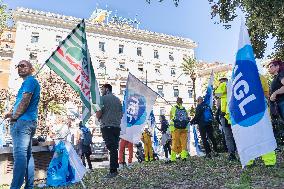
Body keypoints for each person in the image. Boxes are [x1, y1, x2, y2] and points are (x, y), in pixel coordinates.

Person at [4, 60, 40, 189]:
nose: (20, 68)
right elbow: (23, 102)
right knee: (27, 155)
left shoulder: (30, 81)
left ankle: (15, 187)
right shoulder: (28, 83)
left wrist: (14, 116)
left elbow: (25, 101)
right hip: (29, 122)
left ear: (31, 68)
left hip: (23, 123)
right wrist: (11, 113)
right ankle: (29, 186)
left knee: (20, 156)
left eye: (23, 65)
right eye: (18, 66)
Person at [95, 84, 122, 178]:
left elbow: (98, 114)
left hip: (107, 126)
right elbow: (121, 114)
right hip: (117, 127)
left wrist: (98, 117)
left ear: (107, 89)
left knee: (112, 149)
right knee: (114, 148)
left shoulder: (103, 99)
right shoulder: (118, 100)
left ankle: (113, 171)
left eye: (102, 89)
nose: (101, 91)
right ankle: (114, 168)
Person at [215, 77, 237, 161]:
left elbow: (217, 94)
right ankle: (239, 152)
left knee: (228, 136)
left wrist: (222, 85)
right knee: (236, 134)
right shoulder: (234, 87)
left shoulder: (224, 85)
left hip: (225, 115)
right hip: (234, 114)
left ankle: (232, 154)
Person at [169, 97, 189, 162]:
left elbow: (171, 117)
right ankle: (183, 156)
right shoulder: (185, 109)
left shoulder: (173, 108)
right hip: (184, 128)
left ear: (176, 102)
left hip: (176, 128)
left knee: (174, 143)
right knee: (184, 143)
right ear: (182, 102)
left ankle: (173, 158)